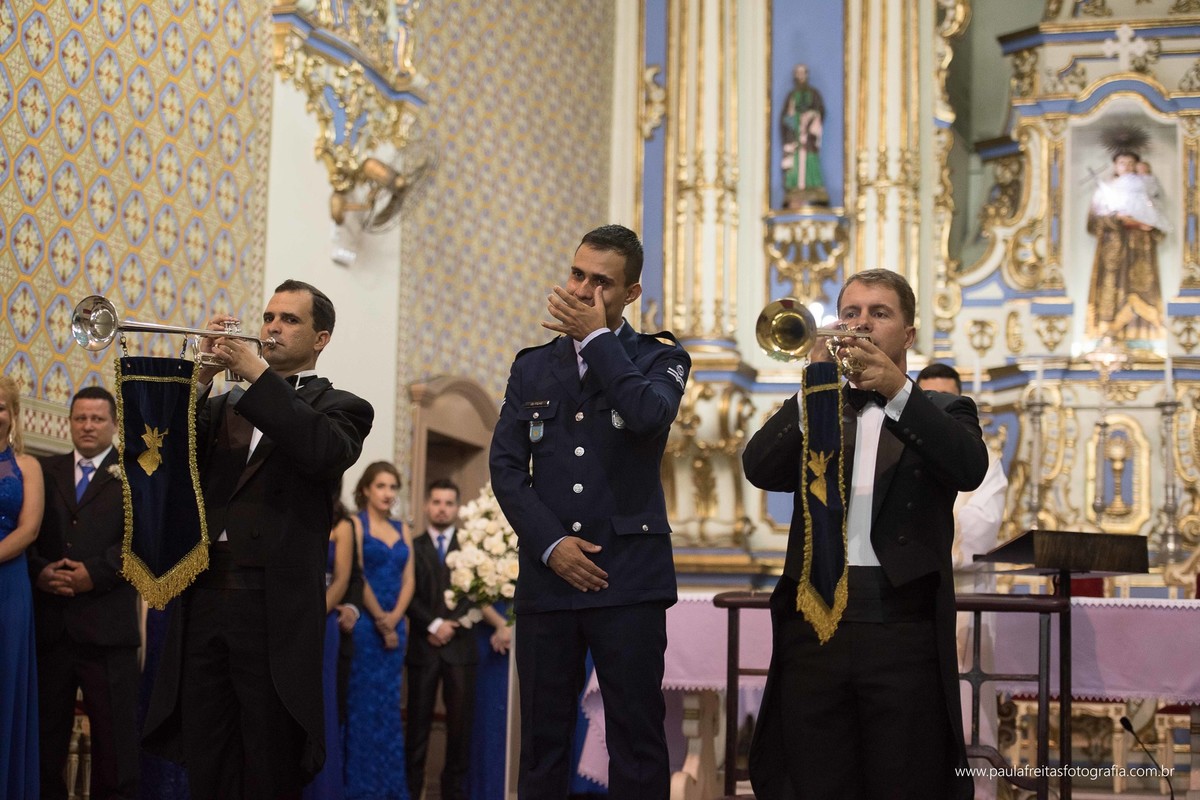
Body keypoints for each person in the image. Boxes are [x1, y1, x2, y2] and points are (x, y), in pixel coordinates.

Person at [742, 269, 988, 800]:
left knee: (903, 778)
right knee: (815, 778)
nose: (861, 324)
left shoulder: (945, 409)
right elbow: (760, 468)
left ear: (908, 334)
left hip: (901, 626)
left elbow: (968, 467)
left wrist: (897, 390)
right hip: (815, 624)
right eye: (850, 313)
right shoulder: (820, 403)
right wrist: (814, 384)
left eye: (879, 313)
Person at [142, 279, 374, 799]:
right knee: (207, 746)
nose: (271, 326)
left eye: (290, 319)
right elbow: (161, 460)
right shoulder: (225, 405)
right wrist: (199, 379)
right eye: (269, 316)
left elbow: (321, 452)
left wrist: (257, 375)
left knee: (268, 754)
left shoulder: (344, 407)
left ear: (321, 339)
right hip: (205, 594)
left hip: (274, 605)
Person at [489, 223, 691, 799]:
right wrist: (552, 545)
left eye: (601, 283)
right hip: (549, 581)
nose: (582, 291)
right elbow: (506, 467)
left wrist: (599, 341)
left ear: (630, 294)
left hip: (627, 575)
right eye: (577, 275)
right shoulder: (531, 366)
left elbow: (649, 416)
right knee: (544, 744)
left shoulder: (661, 357)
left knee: (635, 739)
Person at [30, 386, 140, 800]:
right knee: (44, 745)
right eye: (80, 418)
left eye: (97, 419)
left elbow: (142, 541)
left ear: (113, 424)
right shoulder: (43, 470)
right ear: (69, 422)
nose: (88, 426)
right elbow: (26, 532)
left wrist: (95, 574)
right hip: (51, 630)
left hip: (108, 630)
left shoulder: (134, 476)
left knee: (116, 750)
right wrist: (41, 572)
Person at [916, 362, 1008, 800]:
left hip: (966, 598)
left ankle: (980, 791)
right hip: (911, 592)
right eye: (926, 397)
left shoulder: (983, 458)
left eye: (944, 400)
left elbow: (981, 527)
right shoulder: (901, 446)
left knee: (971, 710)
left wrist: (919, 524)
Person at [343, 461, 413, 800]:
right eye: (381, 486)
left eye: (392, 487)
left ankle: (388, 789)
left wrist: (396, 617)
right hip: (366, 629)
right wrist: (382, 620)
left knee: (389, 708)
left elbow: (409, 579)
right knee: (363, 707)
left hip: (396, 630)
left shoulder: (403, 529)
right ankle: (360, 789)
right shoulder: (355, 525)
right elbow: (357, 575)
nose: (388, 493)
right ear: (367, 489)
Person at [406, 479, 477, 800]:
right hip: (423, 647)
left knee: (460, 732)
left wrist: (450, 625)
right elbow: (407, 595)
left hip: (460, 650)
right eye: (436, 502)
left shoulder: (471, 548)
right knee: (416, 728)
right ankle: (411, 792)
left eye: (449, 503)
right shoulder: (412, 546)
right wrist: (433, 624)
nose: (442, 508)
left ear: (458, 508)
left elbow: (476, 595)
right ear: (426, 505)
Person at [0, 375, 45, 799]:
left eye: (0, 406)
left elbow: (29, 530)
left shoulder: (27, 466)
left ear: (12, 415)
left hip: (8, 585)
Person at [301, 491, 354, 800]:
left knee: (322, 701)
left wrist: (309, 616)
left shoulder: (342, 524)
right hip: (290, 615)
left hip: (323, 622)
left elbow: (342, 580)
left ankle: (322, 789)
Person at [1086, 150, 1168, 343]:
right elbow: (1093, 223)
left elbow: (1158, 222)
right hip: (1113, 250)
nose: (1128, 167)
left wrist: (1143, 223)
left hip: (1141, 248)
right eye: (1123, 163)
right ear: (1116, 166)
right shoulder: (1105, 191)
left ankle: (1144, 336)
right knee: (1112, 288)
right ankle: (1106, 332)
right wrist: (1118, 219)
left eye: (1131, 163)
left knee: (1142, 285)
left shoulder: (1145, 191)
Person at [468, 602, 512, 800]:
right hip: (486, 636)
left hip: (526, 629)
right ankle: (485, 789)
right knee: (487, 716)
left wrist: (513, 626)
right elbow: (474, 592)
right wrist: (501, 624)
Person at [781, 63, 828, 208]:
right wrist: (794, 120)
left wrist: (811, 118)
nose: (801, 77)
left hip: (809, 139)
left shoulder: (813, 94)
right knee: (796, 162)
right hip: (797, 137)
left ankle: (813, 185)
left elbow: (820, 110)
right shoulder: (792, 96)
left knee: (810, 161)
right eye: (798, 74)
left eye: (803, 73)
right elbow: (785, 117)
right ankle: (795, 186)